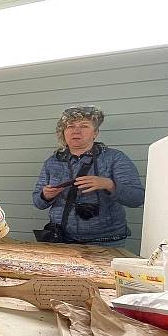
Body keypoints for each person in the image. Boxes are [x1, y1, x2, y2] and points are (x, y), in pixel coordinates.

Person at [32, 105, 144, 248]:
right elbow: (38, 202)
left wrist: (109, 184)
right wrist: (46, 195)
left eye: (84, 126)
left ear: (95, 132)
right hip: (62, 241)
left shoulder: (115, 158)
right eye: (70, 126)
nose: (76, 131)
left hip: (107, 243)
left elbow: (137, 198)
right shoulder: (52, 162)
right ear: (64, 132)